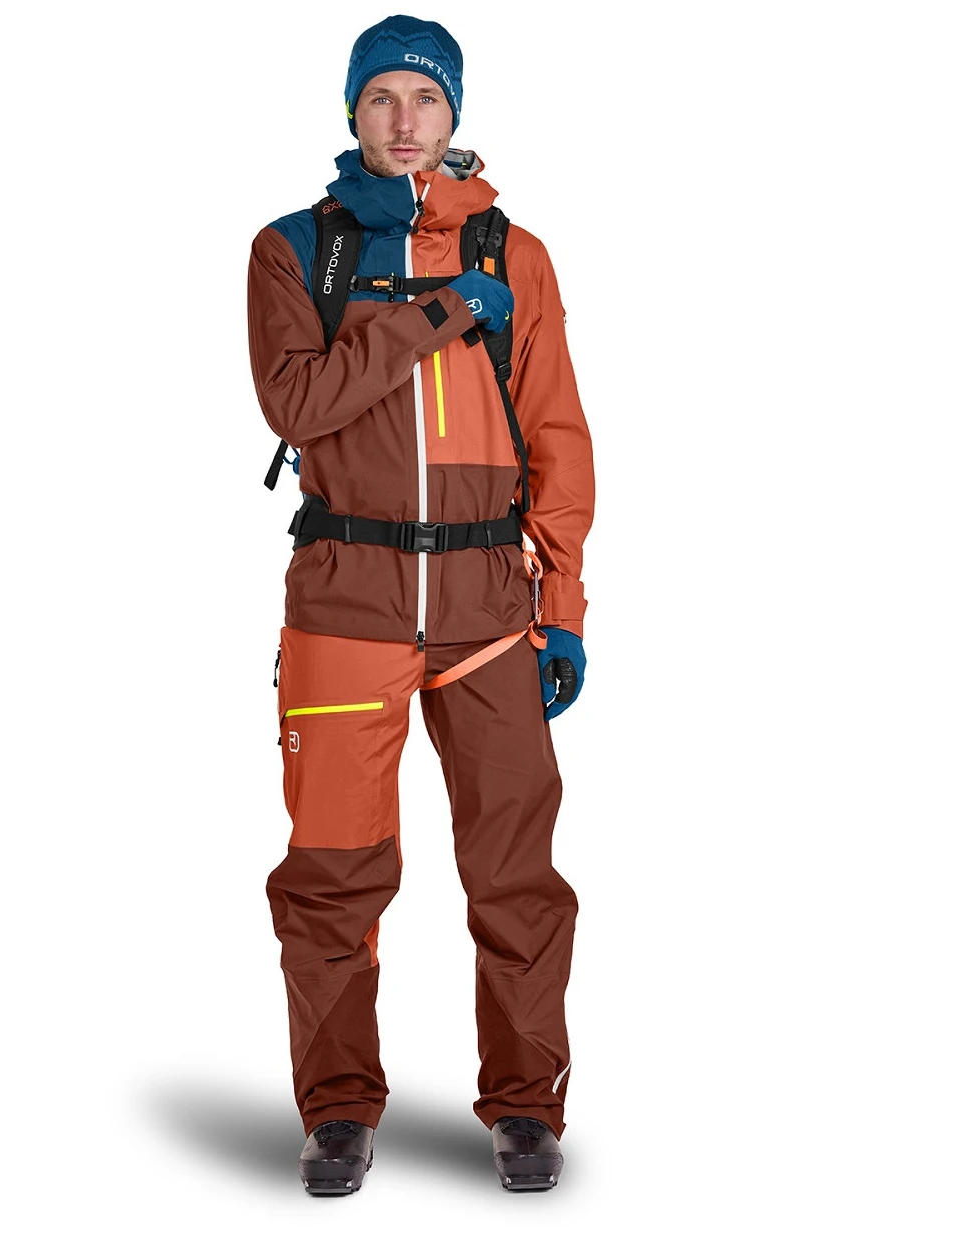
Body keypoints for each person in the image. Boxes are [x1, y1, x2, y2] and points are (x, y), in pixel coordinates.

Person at [246, 13, 595, 1195]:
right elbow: (297, 405)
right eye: (382, 98)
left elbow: (557, 437)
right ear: (351, 111)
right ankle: (338, 1107)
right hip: (345, 603)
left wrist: (564, 605)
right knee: (331, 875)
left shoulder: (514, 253)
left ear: (454, 114)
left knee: (516, 874)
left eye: (426, 99)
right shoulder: (295, 251)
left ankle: (526, 1106)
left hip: (490, 609)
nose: (404, 121)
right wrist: (439, 313)